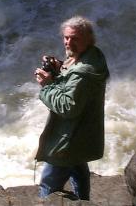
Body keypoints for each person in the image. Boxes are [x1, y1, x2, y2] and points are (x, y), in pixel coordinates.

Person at [34, 15, 109, 200]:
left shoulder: (83, 74)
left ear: (88, 40)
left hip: (68, 138)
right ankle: (83, 201)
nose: (69, 42)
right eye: (66, 37)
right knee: (78, 168)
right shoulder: (91, 56)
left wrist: (48, 86)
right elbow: (73, 83)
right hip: (81, 133)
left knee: (48, 185)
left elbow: (67, 107)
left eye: (75, 38)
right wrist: (61, 69)